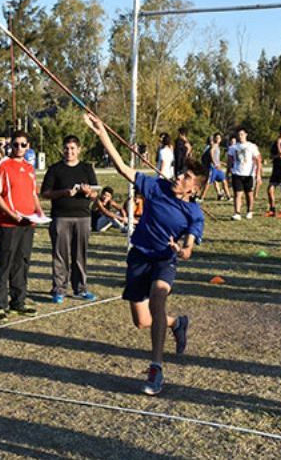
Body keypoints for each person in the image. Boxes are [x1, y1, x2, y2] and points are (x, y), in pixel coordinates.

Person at [84, 112, 203, 396]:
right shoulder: (157, 186)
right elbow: (124, 168)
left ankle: (156, 369)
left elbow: (188, 249)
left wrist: (181, 250)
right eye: (180, 172)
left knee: (158, 300)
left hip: (164, 260)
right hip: (139, 256)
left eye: (186, 177)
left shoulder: (194, 213)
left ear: (194, 188)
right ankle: (178, 323)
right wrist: (102, 134)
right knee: (143, 321)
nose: (179, 177)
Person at [0, 130, 46, 322]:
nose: (19, 148)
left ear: (28, 146)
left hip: (28, 223)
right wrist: (11, 214)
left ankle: (18, 301)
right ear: (10, 145)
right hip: (9, 223)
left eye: (23, 144)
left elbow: (33, 194)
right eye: (16, 144)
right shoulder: (3, 165)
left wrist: (39, 212)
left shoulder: (30, 168)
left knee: (22, 262)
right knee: (3, 263)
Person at [41, 135, 99, 304]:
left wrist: (89, 192)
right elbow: (45, 193)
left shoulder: (87, 168)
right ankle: (59, 289)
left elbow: (95, 193)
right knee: (60, 255)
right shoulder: (55, 169)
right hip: (61, 217)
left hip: (83, 217)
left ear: (79, 150)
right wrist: (64, 193)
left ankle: (80, 288)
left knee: (80, 255)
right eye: (66, 148)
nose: (69, 152)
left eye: (73, 148)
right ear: (63, 150)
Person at [227, 128, 261, 220]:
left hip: (249, 174)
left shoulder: (251, 146)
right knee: (238, 194)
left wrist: (258, 174)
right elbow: (230, 160)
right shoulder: (233, 147)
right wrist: (228, 173)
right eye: (239, 134)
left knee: (249, 193)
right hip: (237, 173)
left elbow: (258, 160)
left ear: (246, 135)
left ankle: (250, 211)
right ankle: (237, 212)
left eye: (242, 134)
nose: (240, 136)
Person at [200, 133, 231, 202]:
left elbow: (216, 158)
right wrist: (215, 163)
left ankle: (229, 197)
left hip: (218, 168)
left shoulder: (218, 146)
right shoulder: (214, 145)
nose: (218, 139)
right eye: (216, 138)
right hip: (213, 168)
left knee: (224, 181)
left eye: (219, 138)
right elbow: (211, 152)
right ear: (214, 139)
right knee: (208, 183)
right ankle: (201, 197)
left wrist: (222, 163)